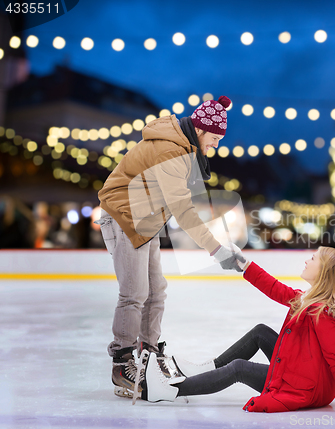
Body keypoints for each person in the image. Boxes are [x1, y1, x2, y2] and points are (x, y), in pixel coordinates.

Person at [95, 95, 244, 398]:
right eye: (214, 138)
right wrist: (217, 250)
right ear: (200, 131)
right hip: (124, 215)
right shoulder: (171, 151)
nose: (215, 145)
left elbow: (192, 204)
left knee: (156, 290)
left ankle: (148, 355)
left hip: (144, 218)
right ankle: (123, 365)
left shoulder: (184, 148)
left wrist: (223, 244)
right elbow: (184, 211)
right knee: (135, 292)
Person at [137, 247, 335, 415]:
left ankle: (169, 391)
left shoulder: (323, 315)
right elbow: (276, 289)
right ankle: (208, 368)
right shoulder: (308, 301)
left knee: (239, 368)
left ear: (325, 272)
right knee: (261, 332)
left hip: (305, 388)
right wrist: (244, 265)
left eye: (313, 259)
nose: (307, 261)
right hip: (305, 374)